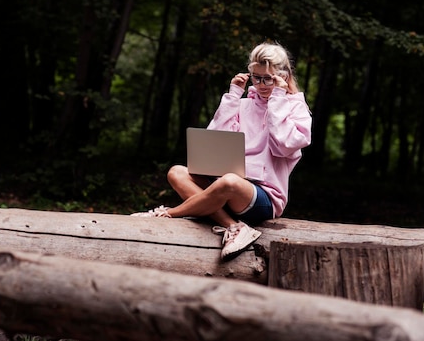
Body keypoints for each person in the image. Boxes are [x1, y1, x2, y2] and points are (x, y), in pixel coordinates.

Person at [132, 41, 312, 260]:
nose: (262, 84)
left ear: (283, 76)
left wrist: (277, 100)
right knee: (177, 172)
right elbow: (214, 139)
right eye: (256, 77)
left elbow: (282, 146)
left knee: (229, 182)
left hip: (263, 197)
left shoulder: (295, 107)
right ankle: (234, 226)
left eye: (269, 78)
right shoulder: (244, 104)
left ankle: (168, 213)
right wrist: (233, 96)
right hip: (225, 185)